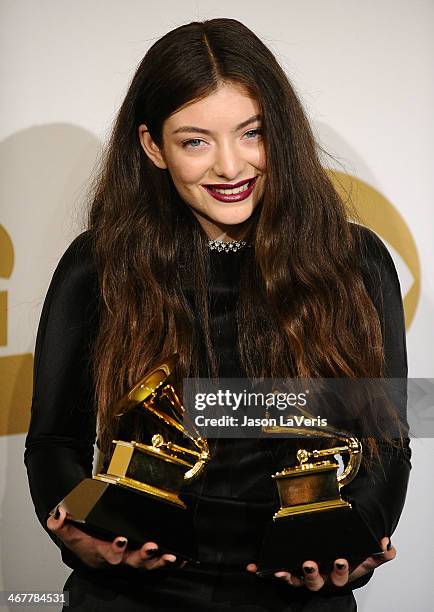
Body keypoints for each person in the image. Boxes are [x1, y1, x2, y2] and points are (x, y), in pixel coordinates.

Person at [24, 18, 411, 612]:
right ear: (153, 147)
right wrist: (84, 538)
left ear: (279, 132)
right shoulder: (99, 265)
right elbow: (54, 442)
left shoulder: (354, 262)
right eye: (195, 141)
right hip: (129, 597)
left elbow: (386, 444)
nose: (230, 167)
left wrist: (350, 552)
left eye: (251, 133)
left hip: (298, 601)